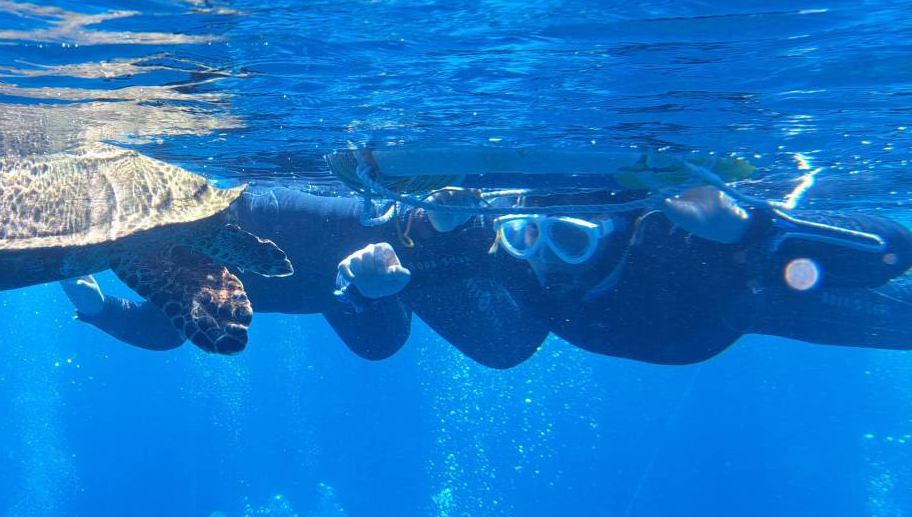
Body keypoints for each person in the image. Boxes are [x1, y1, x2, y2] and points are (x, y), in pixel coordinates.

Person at [61, 186, 547, 367]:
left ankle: (497, 216)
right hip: (365, 286)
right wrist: (96, 307)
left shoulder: (264, 207)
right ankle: (480, 225)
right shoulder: (166, 276)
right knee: (383, 343)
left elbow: (158, 328)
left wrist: (426, 214)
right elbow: (159, 329)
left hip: (365, 241)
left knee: (503, 344)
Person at [490, 184, 912, 365]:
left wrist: (750, 229)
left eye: (570, 239)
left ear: (622, 236)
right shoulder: (521, 270)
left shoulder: (691, 242)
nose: (543, 259)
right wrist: (755, 230)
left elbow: (893, 250)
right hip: (731, 308)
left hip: (728, 298)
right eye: (522, 235)